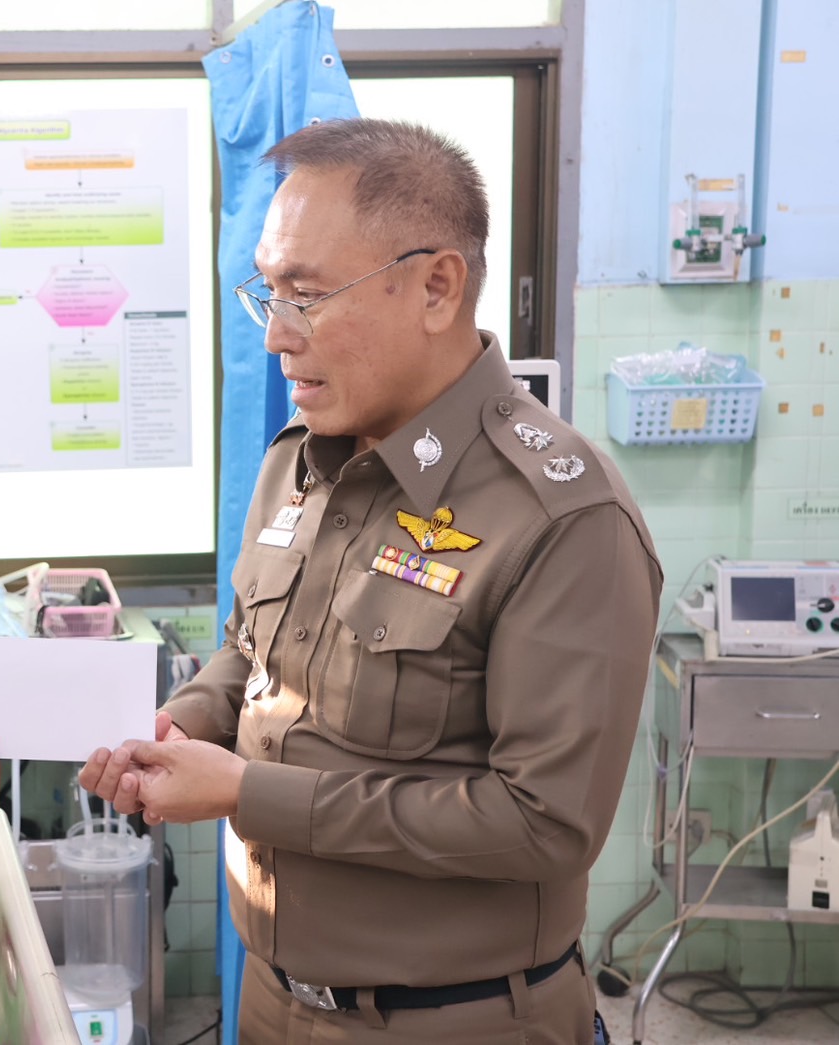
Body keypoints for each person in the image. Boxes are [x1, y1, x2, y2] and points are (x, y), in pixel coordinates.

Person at [81, 119, 661, 1044]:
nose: (277, 334)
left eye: (308, 295)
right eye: (268, 292)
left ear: (436, 287)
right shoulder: (298, 461)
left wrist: (246, 792)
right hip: (271, 1000)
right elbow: (253, 649)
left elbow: (543, 823)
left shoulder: (560, 516)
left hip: (454, 1021)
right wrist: (186, 719)